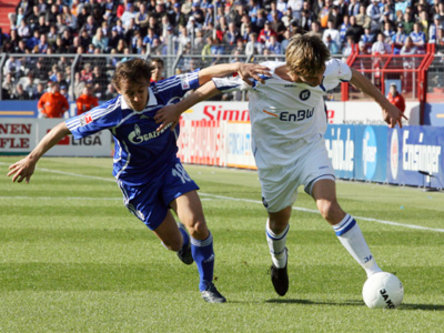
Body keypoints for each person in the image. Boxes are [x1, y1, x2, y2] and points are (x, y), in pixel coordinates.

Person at [154, 33, 406, 297]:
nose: (320, 81)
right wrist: (178, 109)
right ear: (295, 71)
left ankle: (374, 272)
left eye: (322, 73)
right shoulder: (262, 75)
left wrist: (385, 104)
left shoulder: (326, 69)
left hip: (310, 149)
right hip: (274, 161)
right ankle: (279, 262)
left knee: (329, 207)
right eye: (312, 78)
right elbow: (213, 86)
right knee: (278, 222)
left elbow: (353, 74)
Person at [7, 58, 270, 303]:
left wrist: (239, 66)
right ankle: (181, 244)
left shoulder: (165, 90)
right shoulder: (110, 112)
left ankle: (207, 286)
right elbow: (63, 127)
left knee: (198, 225)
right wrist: (32, 158)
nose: (136, 98)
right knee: (174, 244)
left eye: (140, 91)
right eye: (129, 93)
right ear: (119, 91)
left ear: (148, 84)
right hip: (136, 184)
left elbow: (204, 76)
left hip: (168, 168)